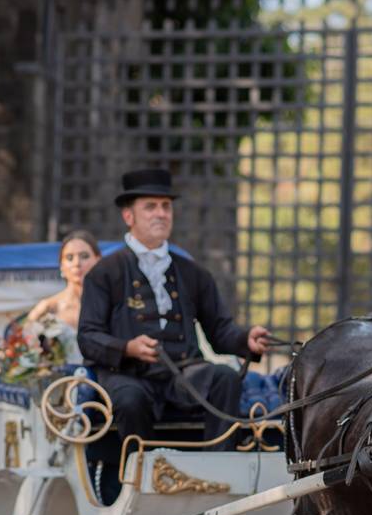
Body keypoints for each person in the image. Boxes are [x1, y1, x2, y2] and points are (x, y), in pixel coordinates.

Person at [77, 168, 270, 449]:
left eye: (166, 206)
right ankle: (142, 482)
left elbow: (219, 330)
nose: (161, 213)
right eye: (151, 207)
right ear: (128, 216)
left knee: (224, 378)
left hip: (183, 374)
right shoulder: (104, 273)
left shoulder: (194, 274)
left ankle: (219, 475)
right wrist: (127, 347)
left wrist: (245, 339)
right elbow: (88, 337)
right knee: (130, 399)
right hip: (128, 376)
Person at [25, 230, 101, 364]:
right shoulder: (48, 307)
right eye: (70, 257)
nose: (77, 263)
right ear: (62, 265)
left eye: (84, 256)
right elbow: (26, 349)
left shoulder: (112, 304)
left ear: (98, 259)